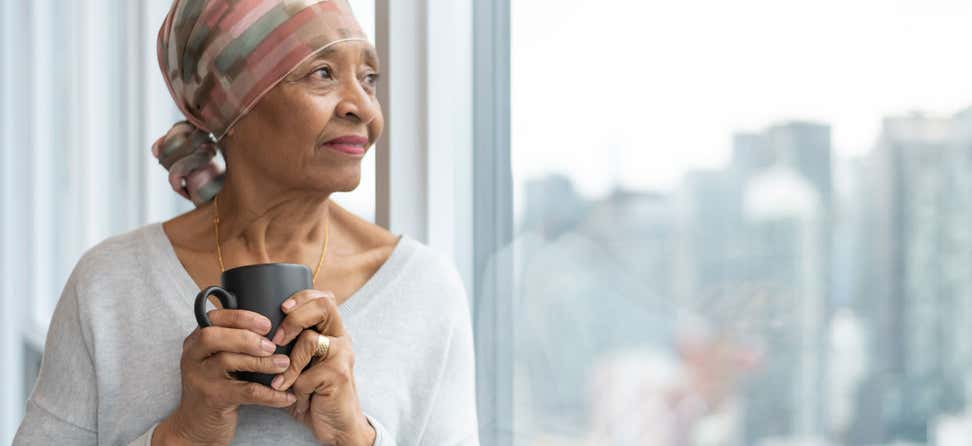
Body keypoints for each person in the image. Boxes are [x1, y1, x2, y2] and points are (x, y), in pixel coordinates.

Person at [12, 1, 478, 444]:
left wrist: (356, 436)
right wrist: (182, 436)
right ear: (230, 106)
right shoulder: (110, 284)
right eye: (322, 73)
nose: (364, 108)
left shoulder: (425, 289)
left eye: (369, 77)